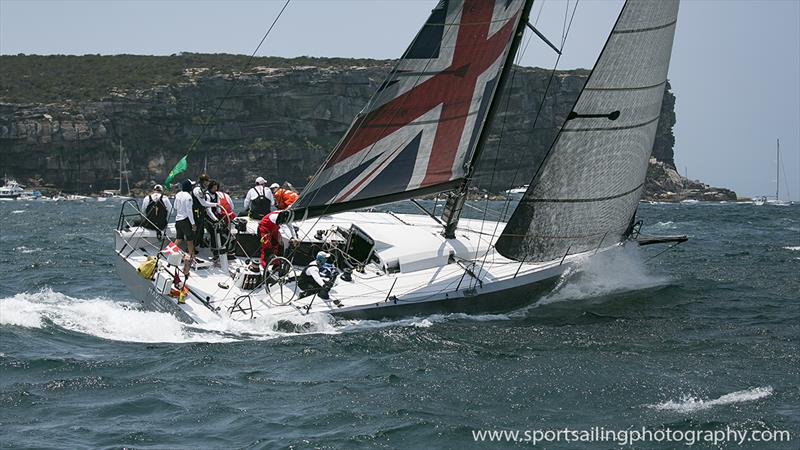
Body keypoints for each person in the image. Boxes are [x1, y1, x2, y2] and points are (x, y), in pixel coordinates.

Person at [173, 179, 197, 275]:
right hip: (185, 220)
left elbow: (175, 207)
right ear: (189, 187)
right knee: (190, 240)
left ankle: (170, 253)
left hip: (178, 219)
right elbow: (189, 211)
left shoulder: (178, 195)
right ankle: (192, 258)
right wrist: (193, 224)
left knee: (179, 239)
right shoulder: (188, 197)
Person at [191, 173, 218, 249]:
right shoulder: (197, 190)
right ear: (204, 181)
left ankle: (198, 246)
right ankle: (192, 249)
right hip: (197, 213)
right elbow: (203, 203)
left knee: (201, 231)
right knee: (197, 232)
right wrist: (216, 204)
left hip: (201, 213)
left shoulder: (202, 189)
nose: (208, 183)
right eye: (207, 181)